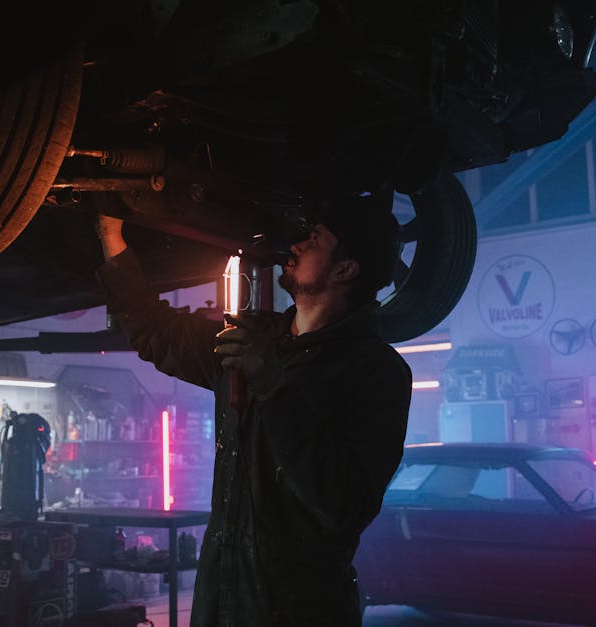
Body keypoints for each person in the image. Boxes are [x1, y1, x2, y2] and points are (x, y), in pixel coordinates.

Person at [94, 190, 412, 627]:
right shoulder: (253, 340)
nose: (297, 245)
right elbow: (156, 332)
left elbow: (345, 503)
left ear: (346, 269)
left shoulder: (377, 372)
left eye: (315, 240)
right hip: (220, 602)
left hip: (299, 613)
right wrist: (112, 238)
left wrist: (272, 382)